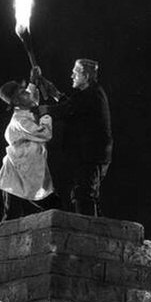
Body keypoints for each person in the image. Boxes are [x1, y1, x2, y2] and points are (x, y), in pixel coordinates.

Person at [35, 58, 112, 217]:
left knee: (83, 194)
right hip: (89, 155)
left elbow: (68, 109)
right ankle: (92, 225)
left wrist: (40, 110)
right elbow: (73, 106)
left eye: (75, 73)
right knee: (86, 192)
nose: (72, 76)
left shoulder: (92, 95)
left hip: (91, 156)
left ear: (86, 76)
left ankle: (88, 228)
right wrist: (54, 93)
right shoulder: (90, 93)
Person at [0, 79, 54, 222]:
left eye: (26, 90)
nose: (28, 93)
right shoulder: (20, 121)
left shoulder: (25, 108)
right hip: (18, 170)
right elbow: (45, 133)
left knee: (47, 202)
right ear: (16, 101)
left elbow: (31, 100)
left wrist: (33, 82)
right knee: (12, 214)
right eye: (22, 92)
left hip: (26, 167)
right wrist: (45, 115)